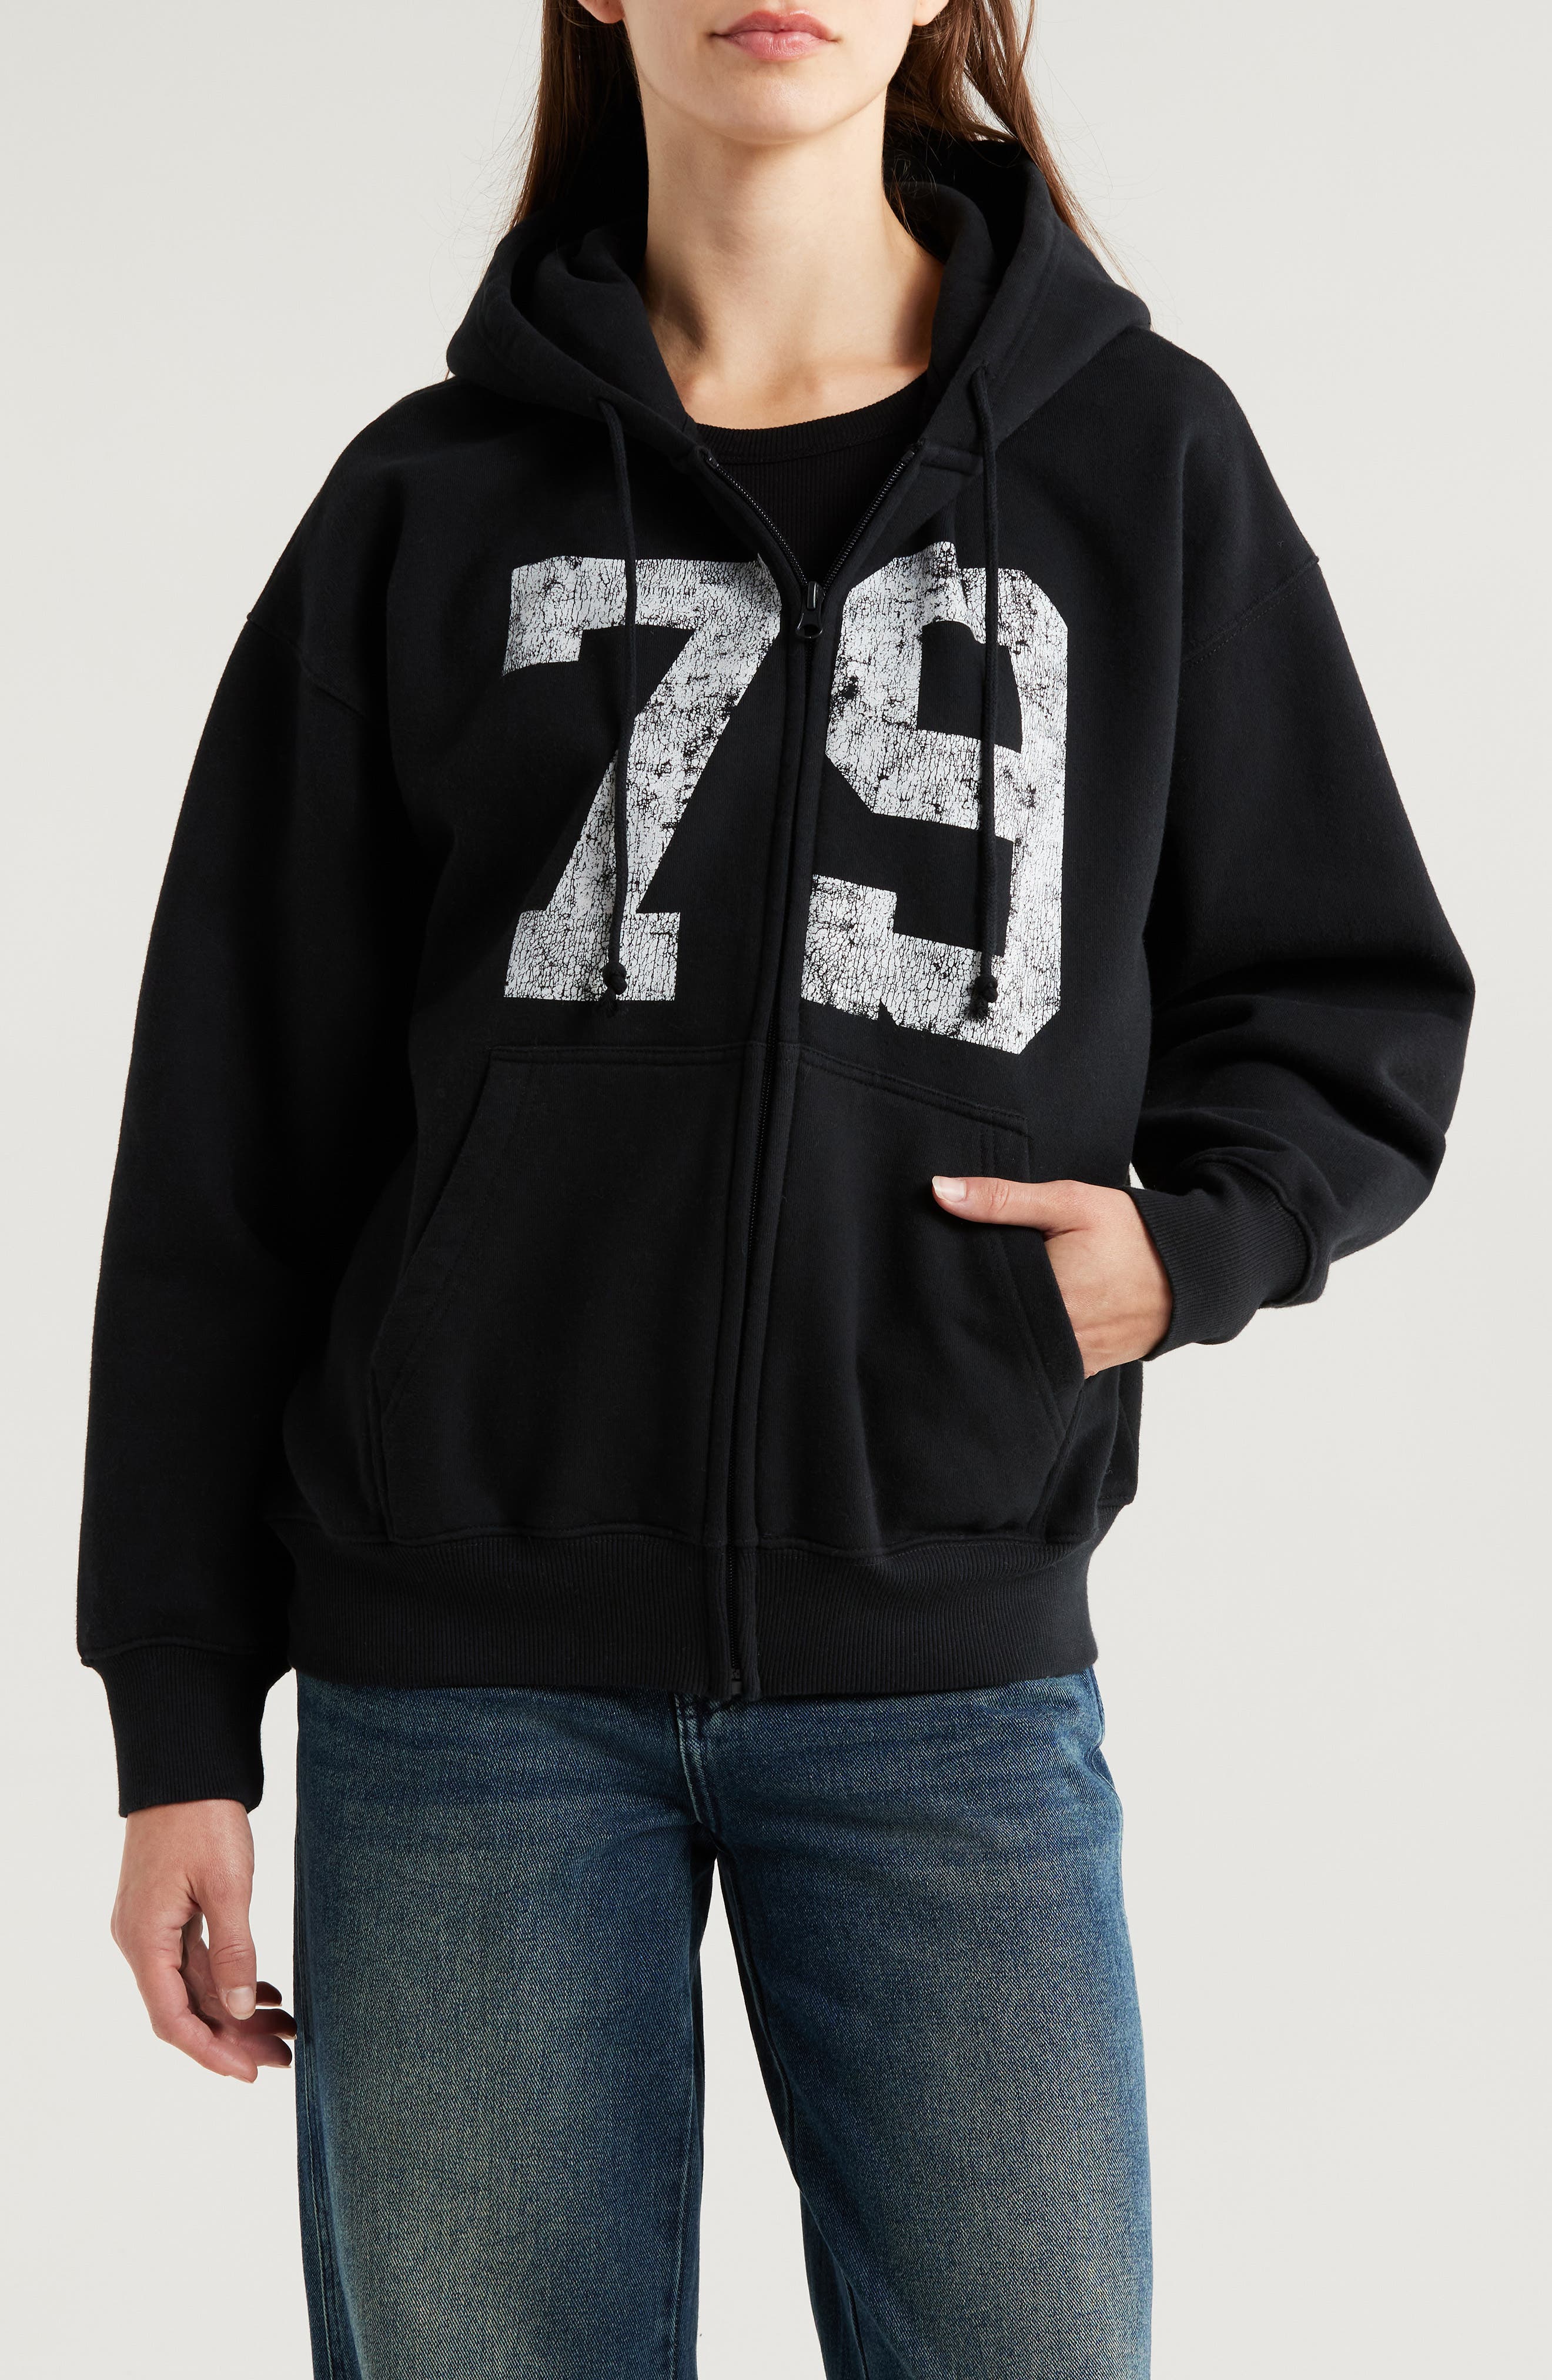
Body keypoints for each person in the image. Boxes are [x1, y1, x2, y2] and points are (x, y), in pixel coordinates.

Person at [81, 3, 1473, 2373]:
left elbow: (1349, 994)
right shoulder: (430, 501)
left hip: (946, 1676)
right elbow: (232, 1138)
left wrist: (1194, 1246)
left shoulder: (1141, 464)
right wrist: (182, 1726)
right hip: (464, 1696)